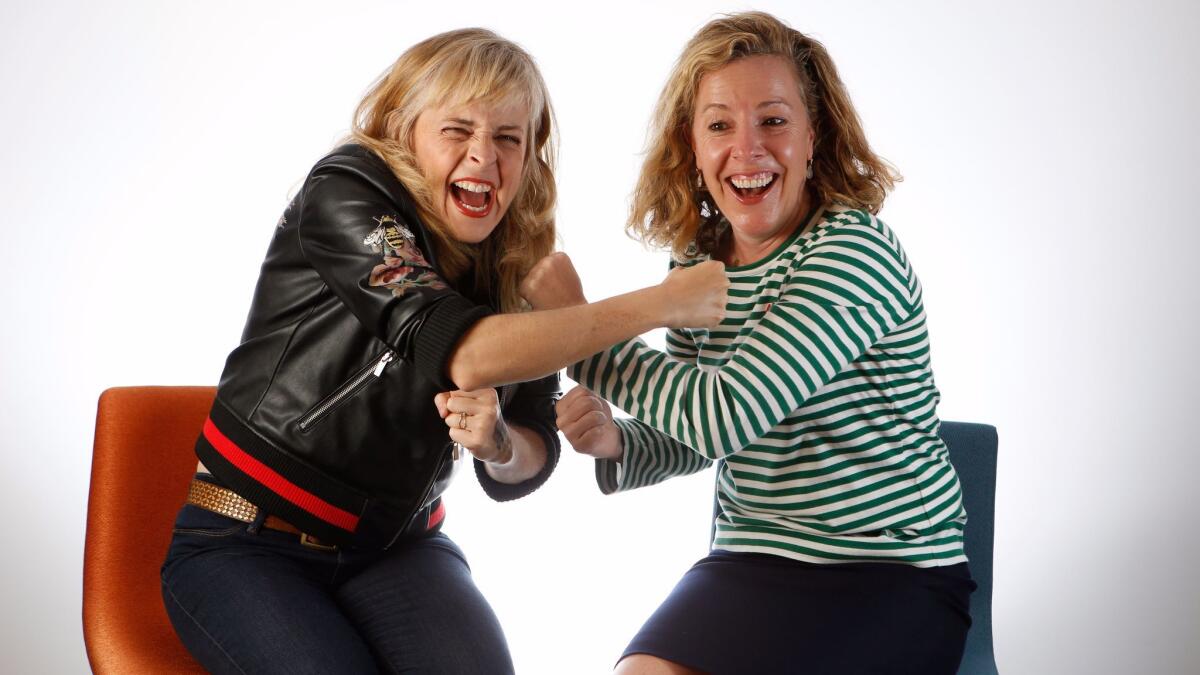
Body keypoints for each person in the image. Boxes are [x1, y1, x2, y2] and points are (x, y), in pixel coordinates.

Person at [159, 28, 728, 675]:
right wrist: (660, 302)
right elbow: (460, 350)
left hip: (399, 548)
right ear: (405, 129)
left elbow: (530, 452)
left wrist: (499, 445)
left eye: (508, 138)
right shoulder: (346, 190)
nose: (483, 156)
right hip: (247, 542)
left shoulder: (519, 255)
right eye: (458, 130)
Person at [525, 12, 976, 675]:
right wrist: (618, 441)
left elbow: (726, 412)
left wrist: (577, 330)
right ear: (693, 144)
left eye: (773, 120)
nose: (748, 148)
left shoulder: (853, 250)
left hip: (891, 572)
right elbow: (697, 434)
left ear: (812, 135)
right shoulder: (698, 261)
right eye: (719, 125)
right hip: (753, 559)